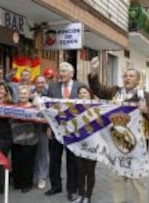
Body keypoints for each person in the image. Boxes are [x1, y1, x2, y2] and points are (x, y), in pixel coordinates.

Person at [88, 57, 149, 203]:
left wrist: (146, 110)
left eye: (131, 76)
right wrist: (94, 72)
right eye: (125, 76)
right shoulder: (115, 92)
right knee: (117, 178)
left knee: (138, 180)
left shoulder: (145, 96)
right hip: (117, 143)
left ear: (138, 80)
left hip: (138, 146)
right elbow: (98, 90)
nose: (127, 78)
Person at [45, 61, 83, 201]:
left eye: (64, 71)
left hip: (74, 130)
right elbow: (48, 109)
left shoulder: (80, 86)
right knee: (54, 159)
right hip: (56, 128)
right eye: (60, 71)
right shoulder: (53, 87)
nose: (61, 74)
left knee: (72, 161)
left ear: (71, 73)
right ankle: (55, 186)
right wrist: (48, 126)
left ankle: (72, 189)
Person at [11, 85, 39, 193]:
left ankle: (27, 184)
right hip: (16, 138)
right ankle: (18, 182)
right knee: (17, 161)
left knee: (27, 163)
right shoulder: (14, 107)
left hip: (30, 139)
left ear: (29, 95)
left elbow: (39, 121)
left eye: (25, 93)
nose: (22, 95)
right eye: (21, 93)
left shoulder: (34, 108)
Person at [74, 86, 97, 203]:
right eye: (80, 93)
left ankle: (88, 196)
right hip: (79, 144)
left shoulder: (97, 108)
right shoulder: (74, 108)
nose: (82, 95)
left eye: (85, 93)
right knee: (80, 170)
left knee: (90, 170)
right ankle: (81, 194)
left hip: (93, 145)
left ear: (90, 94)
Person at [31, 76, 50, 190]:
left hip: (43, 128)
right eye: (38, 82)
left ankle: (42, 177)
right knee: (33, 152)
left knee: (43, 153)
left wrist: (49, 128)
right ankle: (34, 175)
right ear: (35, 84)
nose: (40, 84)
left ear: (45, 83)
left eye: (42, 82)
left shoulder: (49, 95)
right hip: (30, 128)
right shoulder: (30, 94)